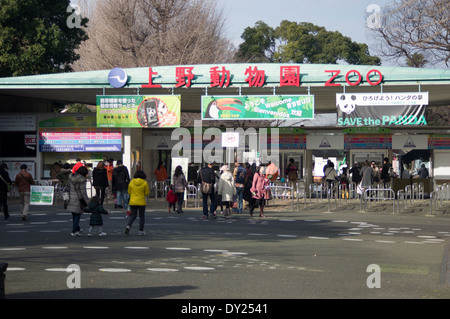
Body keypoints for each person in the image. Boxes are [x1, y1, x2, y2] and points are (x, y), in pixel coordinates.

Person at [125, 170, 150, 236]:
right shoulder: (144, 183)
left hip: (132, 201)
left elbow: (129, 192)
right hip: (141, 201)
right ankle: (140, 231)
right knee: (142, 216)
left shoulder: (131, 182)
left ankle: (128, 226)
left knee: (133, 215)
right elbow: (147, 193)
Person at [67, 166, 90, 237]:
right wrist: (87, 202)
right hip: (78, 200)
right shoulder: (82, 180)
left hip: (71, 198)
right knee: (77, 216)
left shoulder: (71, 178)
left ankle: (77, 229)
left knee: (74, 215)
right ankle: (74, 231)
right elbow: (83, 193)